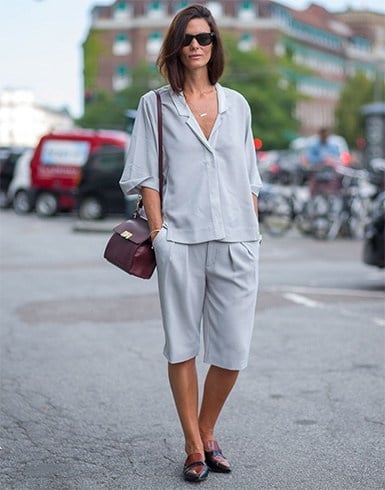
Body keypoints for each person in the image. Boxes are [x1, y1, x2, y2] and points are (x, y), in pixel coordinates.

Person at [120, 4, 262, 483]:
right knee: (181, 345)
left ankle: (206, 430)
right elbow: (144, 174)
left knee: (233, 349)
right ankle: (193, 446)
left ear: (214, 45)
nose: (197, 45)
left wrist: (251, 230)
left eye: (205, 38)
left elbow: (251, 178)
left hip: (236, 238)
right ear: (176, 47)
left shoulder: (238, 104)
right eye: (188, 39)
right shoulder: (154, 104)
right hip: (179, 238)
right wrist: (159, 234)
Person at [306, 127, 341, 196]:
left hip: (329, 172)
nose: (324, 137)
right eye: (323, 135)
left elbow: (337, 157)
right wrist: (321, 159)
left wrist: (331, 160)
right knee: (314, 191)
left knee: (333, 189)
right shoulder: (314, 146)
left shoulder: (333, 146)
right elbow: (309, 157)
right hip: (317, 171)